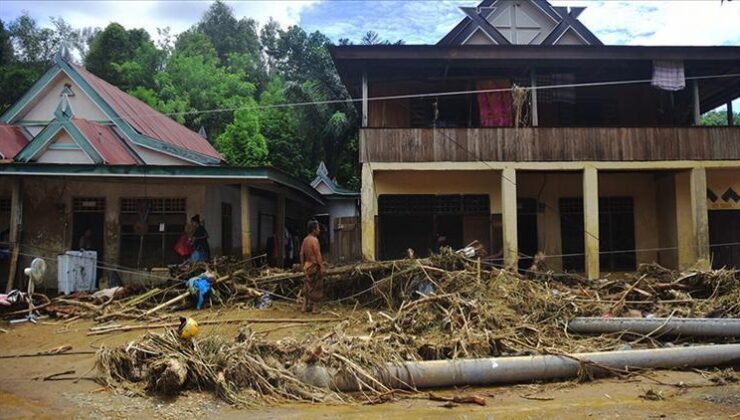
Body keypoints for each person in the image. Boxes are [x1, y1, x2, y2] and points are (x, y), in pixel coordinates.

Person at [299, 220, 324, 314]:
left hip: (307, 265)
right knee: (317, 287)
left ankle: (304, 307)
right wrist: (321, 267)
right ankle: (315, 308)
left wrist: (303, 266)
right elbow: (318, 254)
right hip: (314, 266)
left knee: (307, 287)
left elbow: (301, 254)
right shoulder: (314, 240)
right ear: (314, 229)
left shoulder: (305, 240)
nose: (319, 230)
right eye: (318, 228)